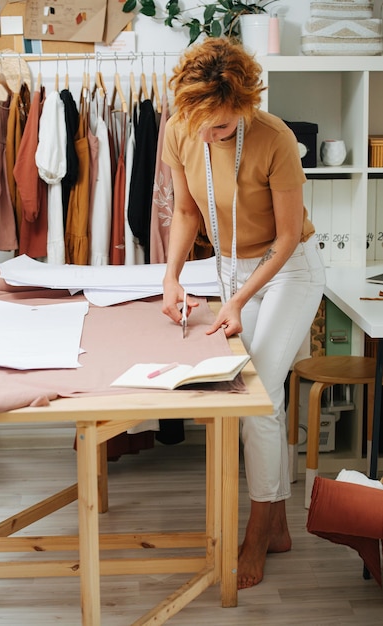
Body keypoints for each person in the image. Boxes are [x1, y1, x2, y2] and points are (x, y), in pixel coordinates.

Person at [161, 37, 325, 590]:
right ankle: (276, 522)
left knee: (256, 396)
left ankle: (259, 529)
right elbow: (185, 210)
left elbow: (283, 240)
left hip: (288, 271)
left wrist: (235, 299)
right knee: (255, 397)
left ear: (246, 109)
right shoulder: (180, 127)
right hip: (230, 270)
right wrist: (172, 276)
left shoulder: (275, 139)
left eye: (224, 129)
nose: (210, 136)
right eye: (203, 126)